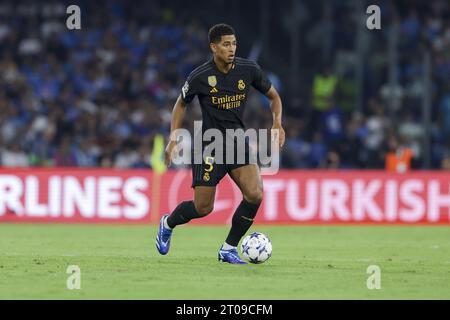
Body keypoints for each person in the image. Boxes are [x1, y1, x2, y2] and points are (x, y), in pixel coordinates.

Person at [156, 23, 285, 264]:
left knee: (255, 194)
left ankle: (228, 248)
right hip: (209, 145)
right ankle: (168, 223)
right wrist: (174, 136)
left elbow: (274, 97)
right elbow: (180, 104)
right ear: (213, 47)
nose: (232, 48)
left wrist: (277, 122)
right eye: (226, 44)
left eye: (234, 43)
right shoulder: (200, 76)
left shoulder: (248, 69)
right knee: (203, 208)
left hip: (237, 142)